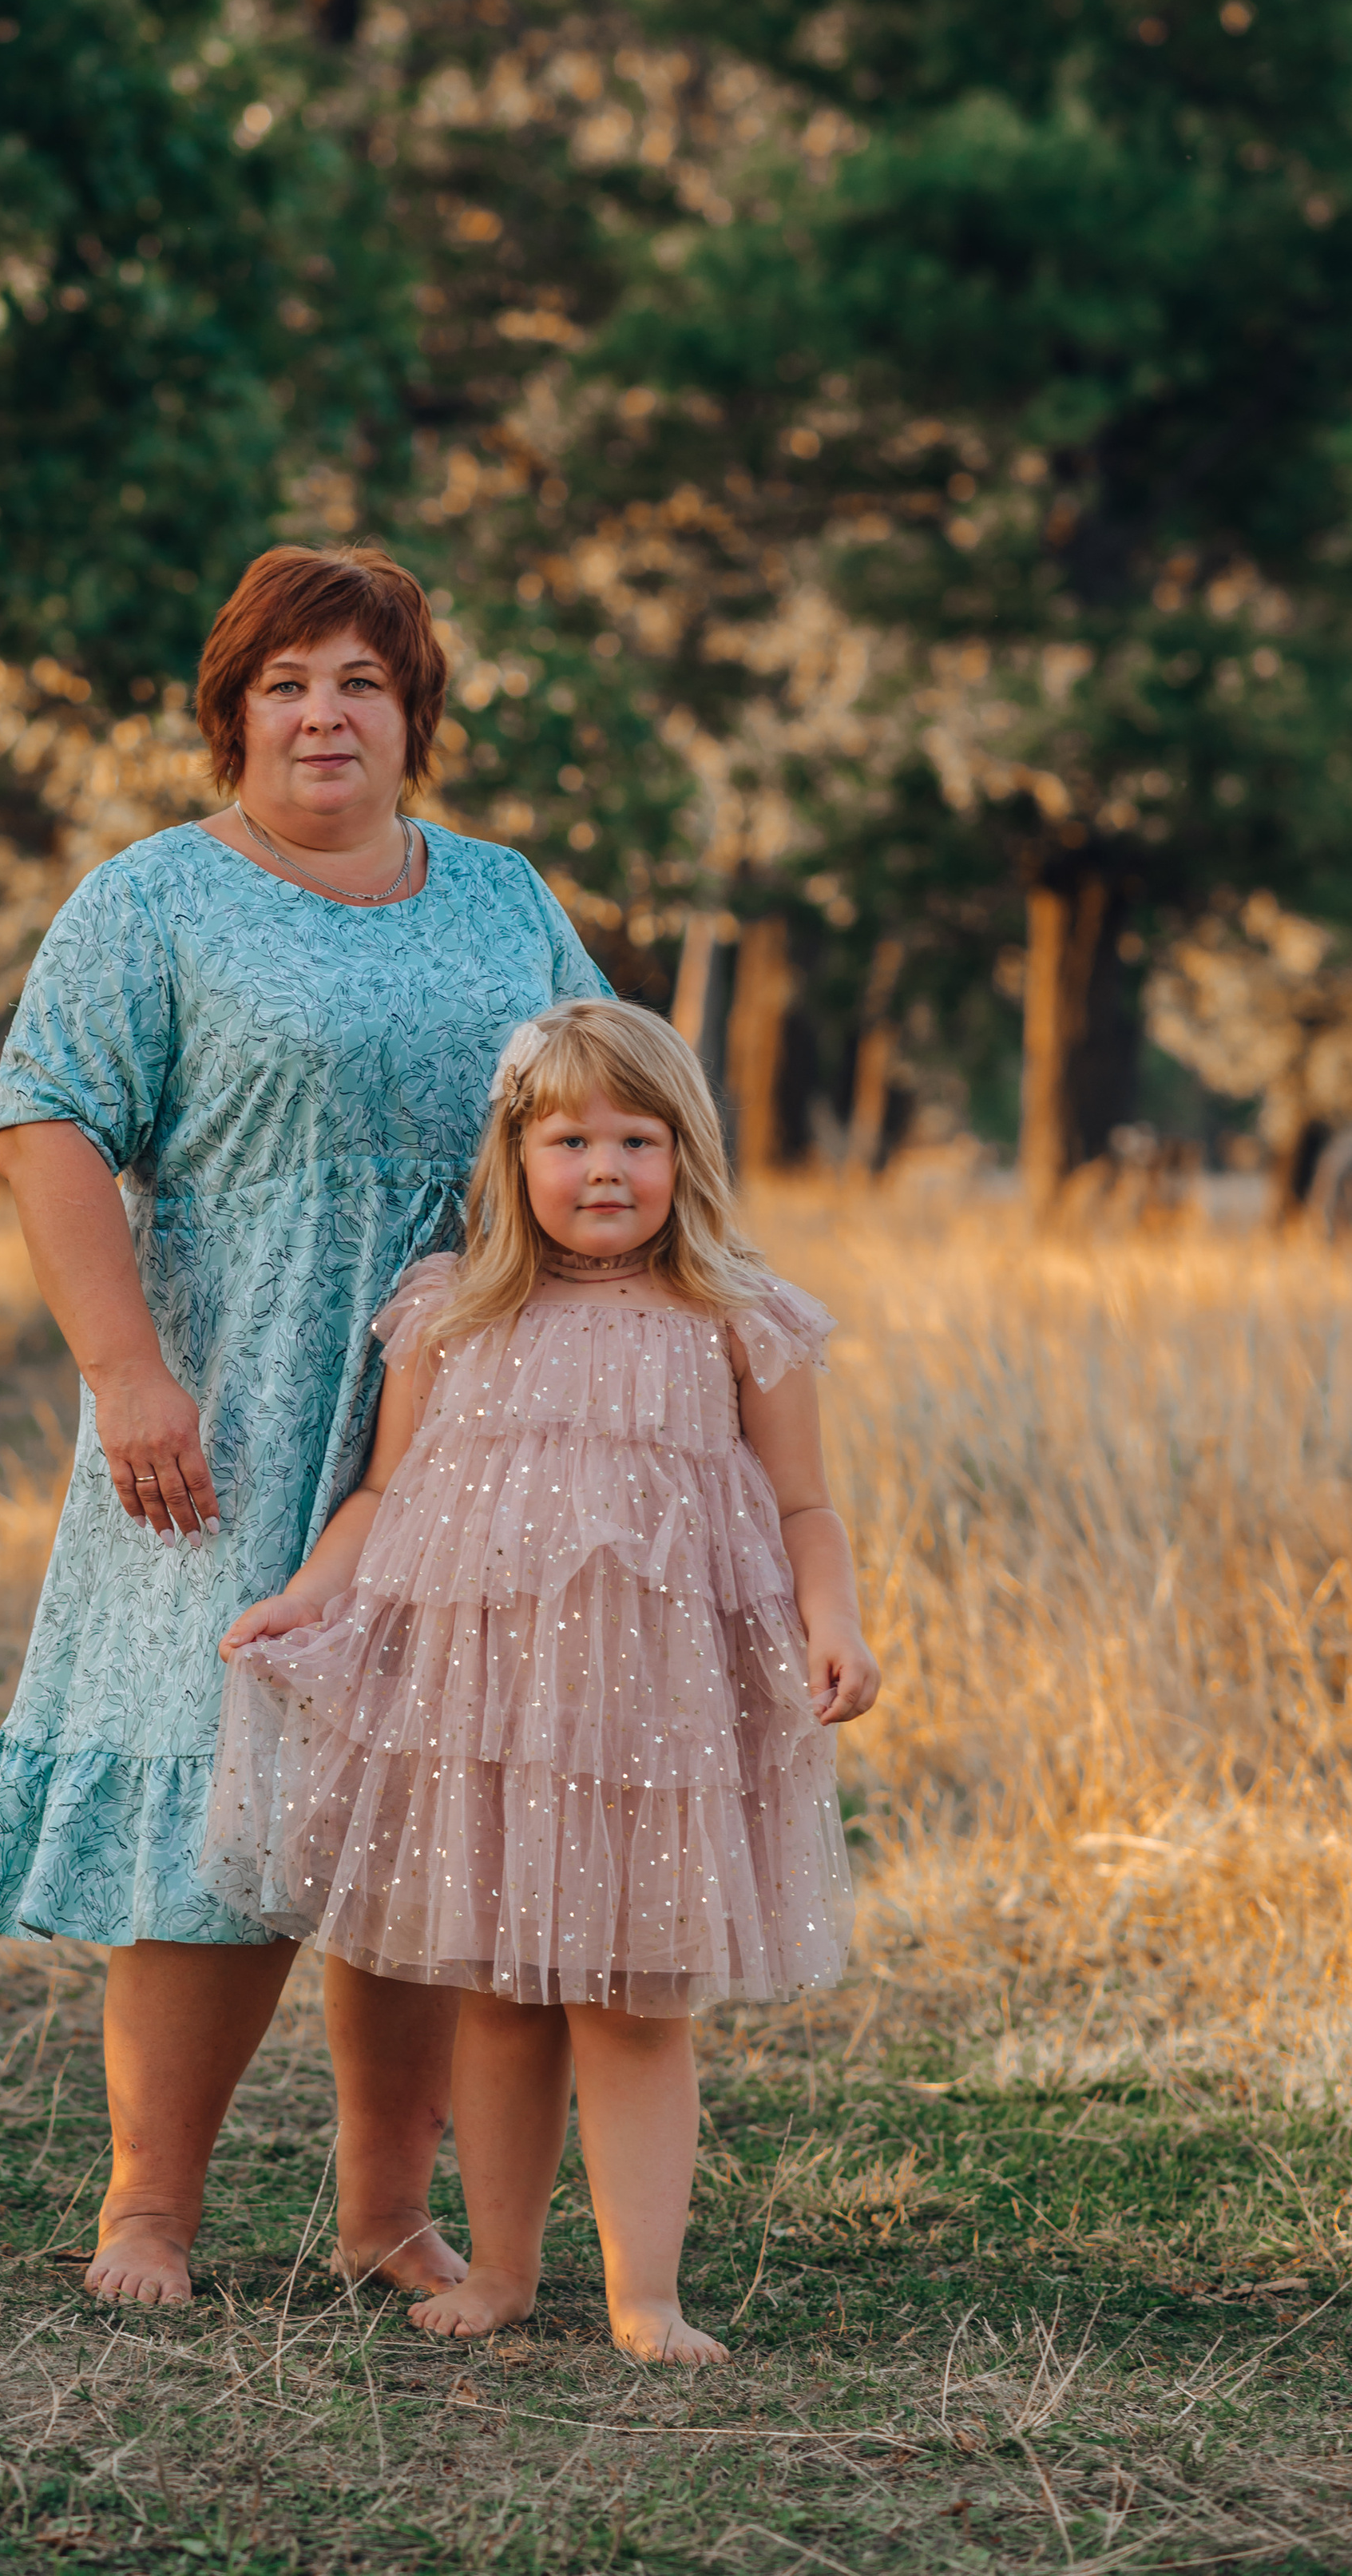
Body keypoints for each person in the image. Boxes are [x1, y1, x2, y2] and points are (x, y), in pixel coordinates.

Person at [0, 545, 611, 2309]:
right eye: (287, 683)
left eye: (362, 683)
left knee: (408, 1803)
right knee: (212, 1791)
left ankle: (386, 2212)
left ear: (414, 718)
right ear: (231, 714)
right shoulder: (152, 897)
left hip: (468, 1402)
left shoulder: (501, 895)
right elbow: (49, 1125)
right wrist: (126, 1370)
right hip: (225, 1400)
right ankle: (148, 2212)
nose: (325, 712)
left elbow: (614, 1102)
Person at [203, 996, 878, 2364]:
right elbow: (384, 1491)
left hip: (659, 1724)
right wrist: (303, 1597)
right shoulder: (453, 1313)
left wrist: (835, 1620)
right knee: (502, 2000)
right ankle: (503, 2267)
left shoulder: (738, 1320)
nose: (608, 1169)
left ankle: (646, 2296)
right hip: (488, 1721)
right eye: (570, 1139)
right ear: (515, 1155)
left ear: (688, 1153)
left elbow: (807, 1507)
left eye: (640, 1137)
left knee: (635, 2006)